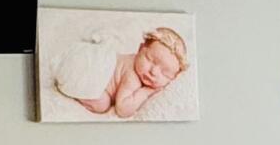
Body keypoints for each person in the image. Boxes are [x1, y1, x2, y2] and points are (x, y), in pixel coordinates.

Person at [50, 21, 190, 119]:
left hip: (84, 62)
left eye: (164, 73)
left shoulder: (136, 64)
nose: (153, 71)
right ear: (140, 49)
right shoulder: (132, 77)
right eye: (150, 59)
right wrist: (146, 92)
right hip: (89, 71)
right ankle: (72, 88)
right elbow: (122, 109)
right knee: (102, 104)